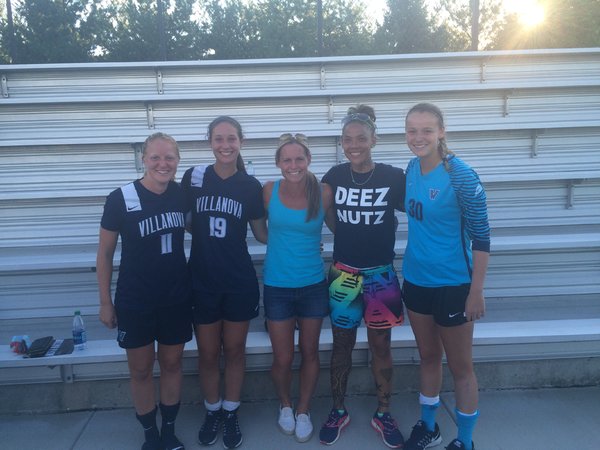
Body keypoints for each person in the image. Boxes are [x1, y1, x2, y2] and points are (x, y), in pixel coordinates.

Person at [401, 103, 490, 450]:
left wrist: (476, 291)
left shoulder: (461, 175)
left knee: (460, 367)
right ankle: (429, 428)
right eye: (412, 130)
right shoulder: (411, 168)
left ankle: (464, 441)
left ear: (441, 132)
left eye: (427, 130)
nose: (418, 137)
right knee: (427, 357)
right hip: (416, 281)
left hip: (453, 284)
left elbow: (481, 237)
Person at [96, 132, 192, 450]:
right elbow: (105, 254)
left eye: (169, 157)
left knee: (172, 364)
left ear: (178, 161)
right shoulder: (121, 197)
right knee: (140, 370)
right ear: (144, 159)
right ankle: (150, 434)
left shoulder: (181, 195)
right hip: (136, 299)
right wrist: (105, 302)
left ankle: (169, 430)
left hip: (176, 296)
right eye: (155, 157)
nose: (163, 164)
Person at [319, 105, 406, 448]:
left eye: (360, 138)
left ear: (374, 140)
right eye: (347, 139)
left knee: (381, 345)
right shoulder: (334, 175)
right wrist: (344, 233)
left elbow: (420, 207)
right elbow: (326, 212)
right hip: (344, 274)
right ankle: (338, 410)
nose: (354, 145)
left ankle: (384, 412)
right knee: (342, 345)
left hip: (380, 274)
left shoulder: (393, 177)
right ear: (341, 142)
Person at [181, 116, 267, 449]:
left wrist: (299, 239)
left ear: (241, 142)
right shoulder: (194, 176)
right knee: (206, 353)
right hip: (202, 279)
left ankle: (231, 412)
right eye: (219, 138)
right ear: (210, 142)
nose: (225, 145)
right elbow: (187, 223)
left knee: (234, 351)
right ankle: (212, 410)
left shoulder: (250, 185)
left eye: (231, 138)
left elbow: (261, 234)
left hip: (238, 280)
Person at [262, 133, 333, 443]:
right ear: (279, 163)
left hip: (313, 285)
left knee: (309, 352)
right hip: (277, 285)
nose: (293, 165)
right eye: (287, 160)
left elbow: (340, 227)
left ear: (308, 160)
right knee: (282, 357)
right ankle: (285, 405)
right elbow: (260, 231)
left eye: (299, 159)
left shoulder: (324, 192)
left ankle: (303, 409)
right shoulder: (268, 191)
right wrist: (284, 245)